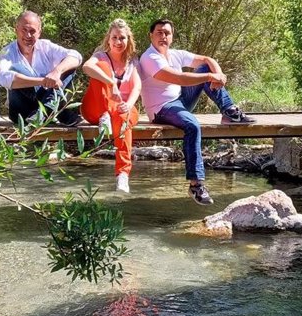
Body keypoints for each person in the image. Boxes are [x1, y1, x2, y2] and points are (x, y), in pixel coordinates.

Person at [139, 19, 256, 206]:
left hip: (181, 101)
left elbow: (206, 60)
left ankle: (229, 111)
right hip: (162, 108)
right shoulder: (149, 58)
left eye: (167, 33)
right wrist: (211, 76)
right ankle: (196, 185)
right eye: (159, 32)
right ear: (151, 36)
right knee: (192, 125)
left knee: (205, 67)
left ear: (172, 36)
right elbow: (179, 78)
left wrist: (218, 73)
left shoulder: (175, 54)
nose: (163, 36)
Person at [81, 19, 141, 194]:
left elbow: (137, 86)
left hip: (121, 109)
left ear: (128, 40)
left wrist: (128, 105)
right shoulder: (100, 55)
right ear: (108, 39)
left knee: (123, 117)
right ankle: (105, 114)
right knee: (101, 68)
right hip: (96, 109)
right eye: (114, 37)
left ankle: (122, 175)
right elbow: (86, 67)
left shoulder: (132, 61)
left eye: (122, 38)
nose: (118, 42)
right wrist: (110, 82)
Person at [0, 11, 82, 126]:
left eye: (32, 31)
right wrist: (43, 81)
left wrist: (56, 72)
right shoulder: (6, 52)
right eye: (24, 30)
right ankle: (56, 112)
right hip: (21, 113)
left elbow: (75, 56)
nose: (28, 35)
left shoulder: (46, 47)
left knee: (68, 67)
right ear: (16, 29)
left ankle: (43, 112)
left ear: (39, 33)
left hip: (38, 116)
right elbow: (4, 79)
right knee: (17, 69)